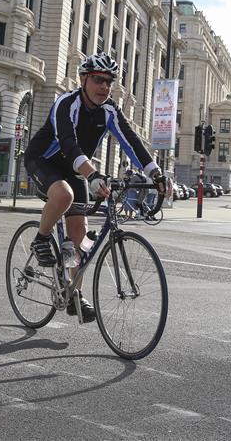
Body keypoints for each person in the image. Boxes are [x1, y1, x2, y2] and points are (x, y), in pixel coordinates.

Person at [24, 53, 167, 322]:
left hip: (76, 169)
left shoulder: (110, 110)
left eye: (109, 82)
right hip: (44, 160)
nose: (104, 87)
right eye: (98, 80)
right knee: (64, 194)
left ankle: (75, 295)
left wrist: (156, 173)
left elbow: (132, 143)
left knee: (79, 236)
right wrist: (92, 175)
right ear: (83, 79)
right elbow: (68, 144)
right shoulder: (66, 104)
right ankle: (41, 238)